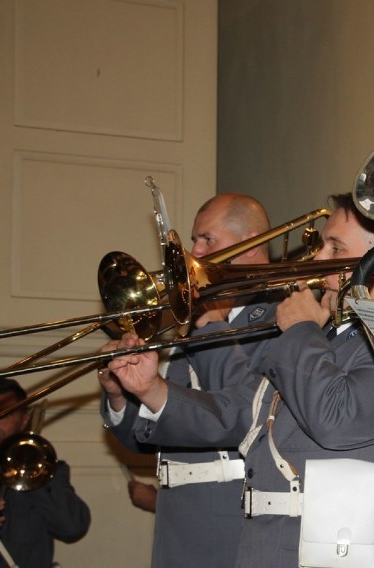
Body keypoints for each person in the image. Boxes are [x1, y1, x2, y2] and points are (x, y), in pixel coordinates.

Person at [103, 193, 374, 567]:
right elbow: (243, 411)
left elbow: (337, 418)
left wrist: (302, 329)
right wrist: (148, 388)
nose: (318, 259)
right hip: (271, 544)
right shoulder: (330, 333)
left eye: (334, 247)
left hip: (341, 549)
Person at [99, 193, 278, 567]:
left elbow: (240, 414)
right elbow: (147, 436)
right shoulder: (189, 322)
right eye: (194, 239)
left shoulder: (278, 318)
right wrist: (120, 396)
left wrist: (211, 326)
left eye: (207, 240)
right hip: (175, 519)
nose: (193, 252)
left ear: (251, 245)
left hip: (231, 514)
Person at [0, 378, 91, 568]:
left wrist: (33, 468)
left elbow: (73, 527)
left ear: (24, 420)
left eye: (5, 415)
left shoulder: (47, 468)